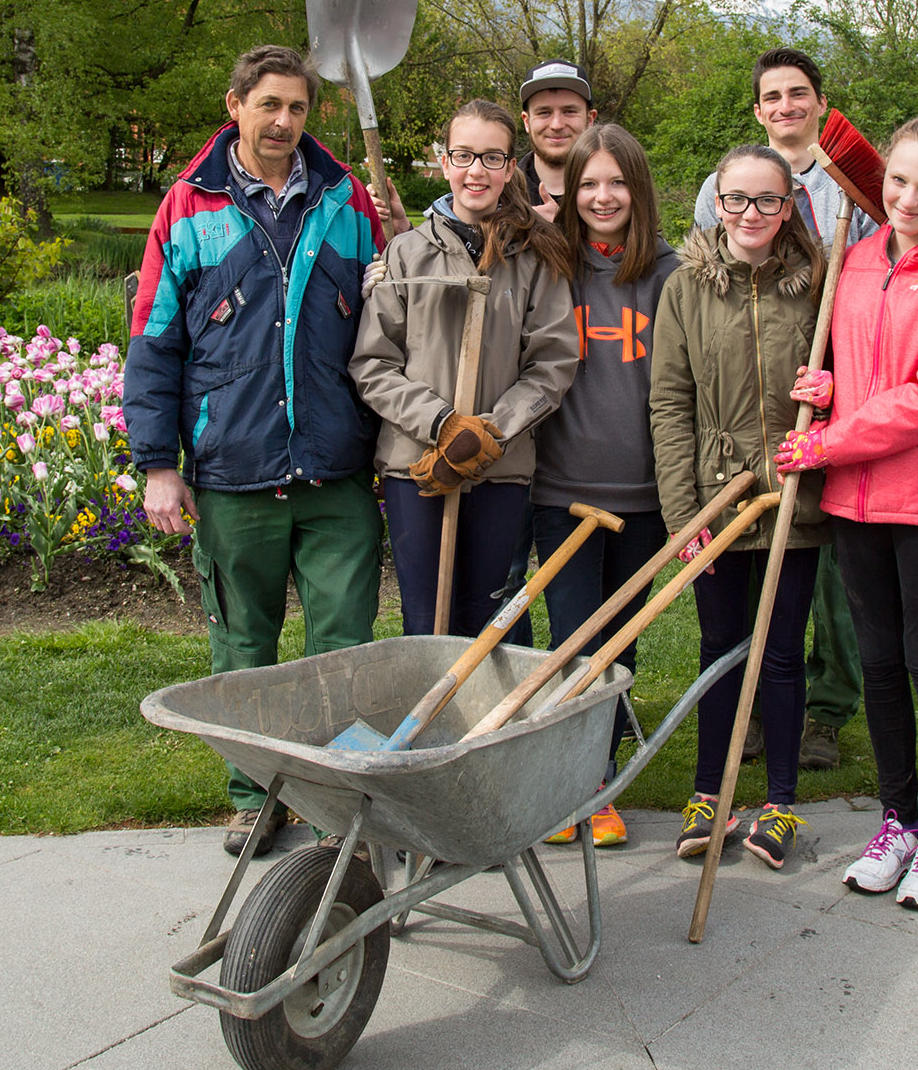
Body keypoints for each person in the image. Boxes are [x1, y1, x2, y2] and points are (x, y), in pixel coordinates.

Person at [126, 45, 391, 858]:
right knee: (244, 647)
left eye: (299, 108)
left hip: (335, 469)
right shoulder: (187, 207)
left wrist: (406, 235)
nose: (283, 122)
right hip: (234, 468)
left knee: (341, 646)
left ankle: (330, 794)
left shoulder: (347, 201)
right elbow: (153, 340)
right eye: (268, 105)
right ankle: (253, 797)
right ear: (235, 103)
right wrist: (158, 463)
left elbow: (394, 314)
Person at [777, 114, 918, 912]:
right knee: (876, 664)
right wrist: (830, 391)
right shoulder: (859, 258)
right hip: (857, 498)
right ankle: (896, 818)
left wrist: (833, 439)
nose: (907, 197)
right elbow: (870, 371)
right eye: (898, 181)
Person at [693, 46, 874, 773]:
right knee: (756, 551)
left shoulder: (847, 182)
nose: (786, 106)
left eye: (799, 94)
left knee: (825, 562)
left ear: (819, 103)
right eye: (772, 96)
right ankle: (760, 706)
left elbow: (878, 255)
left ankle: (825, 708)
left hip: (834, 367)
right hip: (756, 376)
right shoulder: (726, 183)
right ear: (758, 108)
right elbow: (716, 268)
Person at [650, 144, 830, 871]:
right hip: (715, 499)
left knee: (783, 655)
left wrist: (830, 392)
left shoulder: (819, 282)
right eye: (736, 199)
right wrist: (682, 514)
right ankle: (707, 794)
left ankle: (781, 801)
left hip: (793, 497)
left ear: (788, 207)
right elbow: (669, 403)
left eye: (767, 200)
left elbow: (843, 374)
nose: (750, 214)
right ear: (714, 202)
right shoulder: (685, 288)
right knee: (721, 653)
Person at [351, 99, 579, 641]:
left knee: (489, 615)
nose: (476, 170)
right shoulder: (404, 255)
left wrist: (486, 433)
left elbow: (552, 363)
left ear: (509, 168)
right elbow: (373, 363)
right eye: (464, 155)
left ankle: (489, 726)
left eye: (492, 158)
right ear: (445, 160)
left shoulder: (535, 258)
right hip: (416, 463)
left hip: (498, 465)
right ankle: (432, 725)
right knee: (427, 618)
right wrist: (444, 426)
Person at [529, 123, 679, 850]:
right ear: (569, 191)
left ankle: (602, 770)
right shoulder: (548, 266)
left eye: (616, 181)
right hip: (561, 486)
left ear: (638, 189)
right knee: (574, 636)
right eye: (588, 183)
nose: (602, 195)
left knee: (620, 646)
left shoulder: (672, 275)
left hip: (644, 492)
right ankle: (574, 787)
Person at [515, 60, 595, 223]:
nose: (557, 125)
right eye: (544, 112)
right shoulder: (500, 195)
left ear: (590, 119)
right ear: (526, 121)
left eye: (569, 111)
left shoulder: (617, 195)